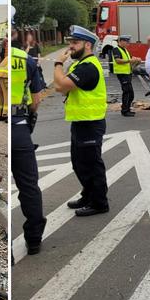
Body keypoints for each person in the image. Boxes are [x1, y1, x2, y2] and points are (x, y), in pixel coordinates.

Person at [53, 25, 109, 217]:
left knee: (92, 165)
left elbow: (61, 86)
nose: (70, 47)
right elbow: (63, 86)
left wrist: (58, 64)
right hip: (81, 121)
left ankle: (99, 203)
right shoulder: (80, 65)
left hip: (90, 123)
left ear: (87, 44)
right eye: (70, 43)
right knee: (79, 163)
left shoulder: (88, 67)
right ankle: (88, 194)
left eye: (75, 43)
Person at [11, 26, 46, 254]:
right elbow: (36, 100)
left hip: (3, 122)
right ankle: (33, 240)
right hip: (20, 127)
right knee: (28, 185)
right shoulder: (26, 61)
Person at [111, 35, 141, 116]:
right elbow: (118, 60)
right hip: (122, 73)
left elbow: (130, 58)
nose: (128, 43)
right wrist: (130, 60)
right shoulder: (116, 49)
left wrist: (136, 59)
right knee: (127, 92)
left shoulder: (125, 50)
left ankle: (127, 109)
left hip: (127, 73)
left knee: (130, 93)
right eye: (126, 42)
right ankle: (125, 111)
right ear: (121, 41)